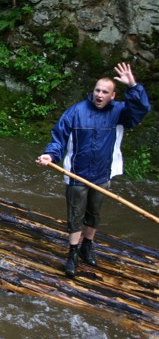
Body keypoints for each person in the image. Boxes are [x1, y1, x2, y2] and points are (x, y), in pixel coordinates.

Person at [36, 62, 151, 278]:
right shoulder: (76, 112)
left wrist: (133, 86)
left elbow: (142, 109)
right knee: (76, 216)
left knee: (94, 214)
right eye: (97, 90)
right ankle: (72, 253)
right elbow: (58, 137)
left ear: (113, 96)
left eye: (105, 92)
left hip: (102, 174)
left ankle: (87, 246)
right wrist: (50, 155)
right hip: (76, 175)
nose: (99, 94)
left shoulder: (120, 113)